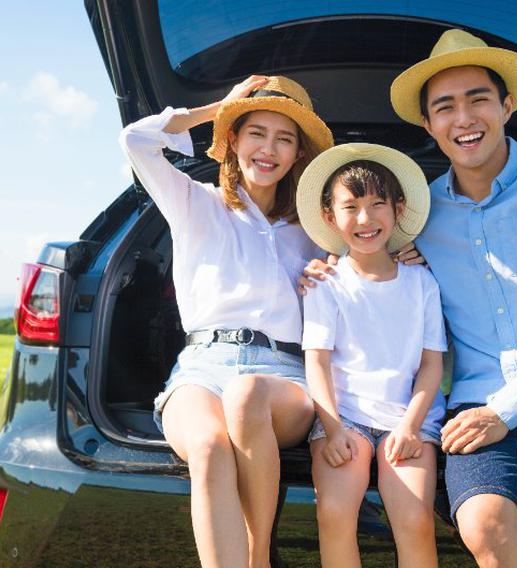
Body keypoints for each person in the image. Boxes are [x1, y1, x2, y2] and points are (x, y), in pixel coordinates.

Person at [303, 29, 517, 567]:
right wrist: (326, 265)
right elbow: (367, 253)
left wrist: (505, 411)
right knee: (485, 531)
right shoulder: (417, 219)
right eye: (444, 107)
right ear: (428, 125)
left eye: (478, 100)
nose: (463, 119)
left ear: (507, 105)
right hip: (480, 396)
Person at [119, 75, 333, 568]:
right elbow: (135, 139)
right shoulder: (195, 201)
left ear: (298, 154)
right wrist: (220, 106)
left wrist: (397, 255)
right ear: (233, 139)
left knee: (246, 395)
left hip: (282, 377)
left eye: (285, 139)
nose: (269, 149)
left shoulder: (317, 227)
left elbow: (373, 259)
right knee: (210, 447)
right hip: (200, 367)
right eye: (256, 132)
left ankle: (259, 556)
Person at [295, 143, 446, 568]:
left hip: (409, 418)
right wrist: (333, 427)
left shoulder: (422, 284)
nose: (365, 219)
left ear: (398, 209)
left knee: (415, 519)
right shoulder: (326, 283)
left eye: (378, 204)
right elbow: (317, 362)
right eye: (351, 206)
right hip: (346, 419)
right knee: (335, 513)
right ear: (330, 217)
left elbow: (432, 365)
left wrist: (411, 427)